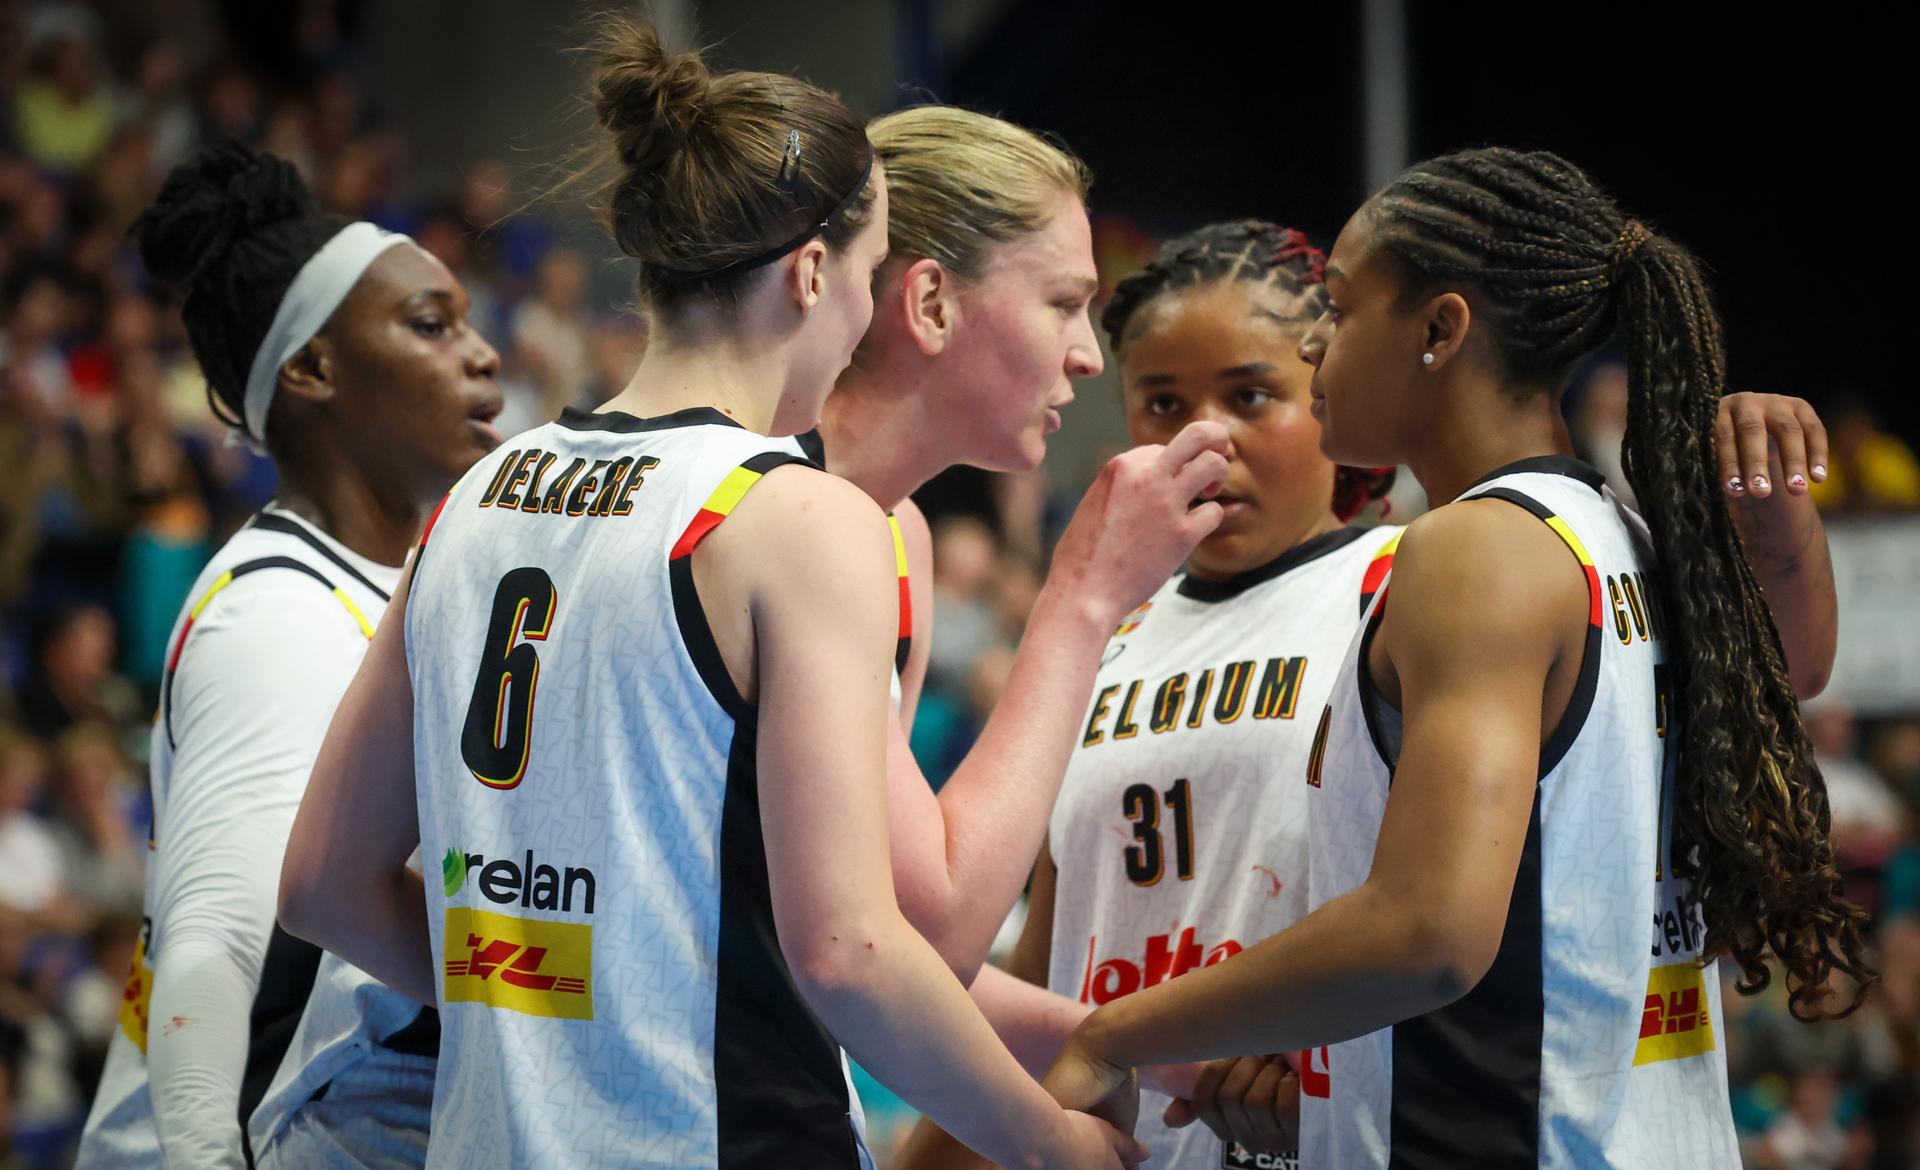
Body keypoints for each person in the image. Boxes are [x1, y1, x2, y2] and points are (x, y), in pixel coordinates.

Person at [279, 20, 1216, 1170]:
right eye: (869, 274)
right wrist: (1049, 1145)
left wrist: (555, 998)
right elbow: (855, 952)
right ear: (817, 276)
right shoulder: (797, 517)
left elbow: (325, 884)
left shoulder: (480, 492)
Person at [1039, 147, 1864, 1170]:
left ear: (1439, 330)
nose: (1319, 343)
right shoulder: (1621, 538)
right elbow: (1798, 667)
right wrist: (1778, 513)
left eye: (1341, 310)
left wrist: (1115, 1032)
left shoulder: (1474, 550)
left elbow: (1428, 932)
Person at [76, 140, 505, 1170]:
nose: (483, 355)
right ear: (313, 368)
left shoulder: (394, 582)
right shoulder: (279, 613)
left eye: (467, 321)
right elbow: (214, 944)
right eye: (431, 325)